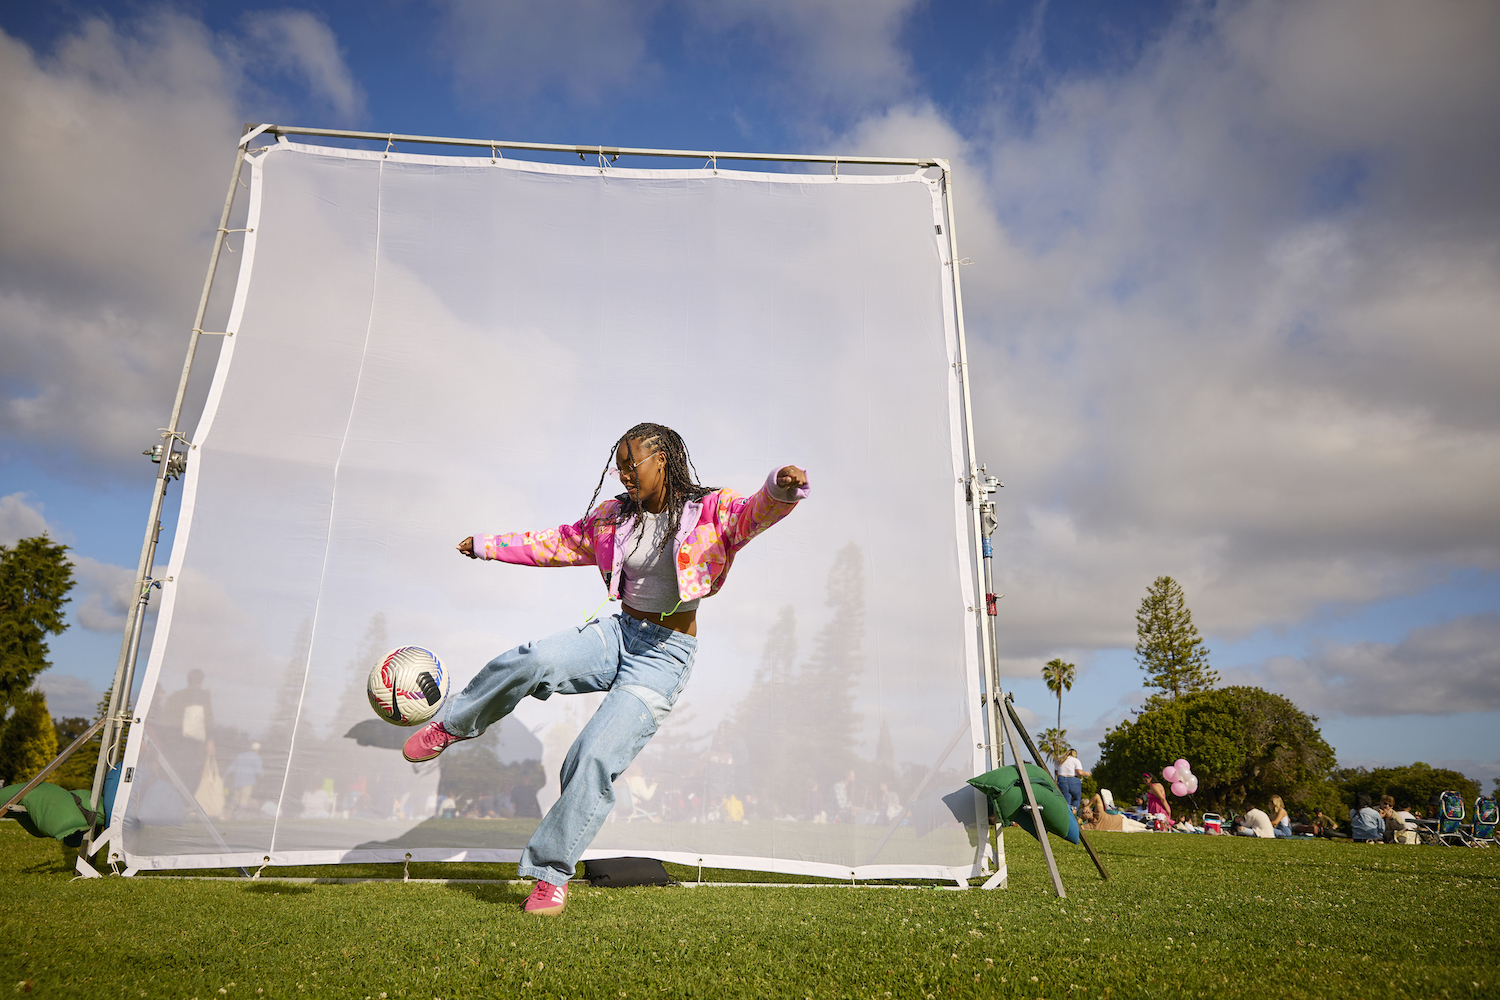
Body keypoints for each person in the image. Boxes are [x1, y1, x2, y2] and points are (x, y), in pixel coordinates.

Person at [401, 423, 808, 914]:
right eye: (617, 464)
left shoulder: (712, 511)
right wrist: (489, 545)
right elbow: (557, 542)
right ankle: (453, 724)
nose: (622, 473)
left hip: (665, 656)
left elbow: (753, 515)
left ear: (663, 459)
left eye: (630, 462)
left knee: (591, 755)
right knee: (536, 658)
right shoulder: (615, 517)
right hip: (617, 634)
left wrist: (781, 487)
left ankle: (551, 875)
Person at [1055, 748, 1088, 814]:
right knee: (1076, 798)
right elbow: (1079, 772)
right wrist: (1086, 773)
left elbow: (1056, 772)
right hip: (1073, 780)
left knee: (1066, 799)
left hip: (1062, 780)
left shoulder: (1060, 760)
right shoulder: (1075, 760)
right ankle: (1073, 813)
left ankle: (1067, 812)